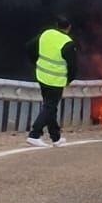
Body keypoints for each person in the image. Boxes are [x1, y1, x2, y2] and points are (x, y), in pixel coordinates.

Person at [26, 14, 77, 148]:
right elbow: (72, 66)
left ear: (57, 25)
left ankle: (56, 138)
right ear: (69, 27)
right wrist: (69, 79)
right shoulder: (67, 42)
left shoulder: (46, 34)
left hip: (42, 76)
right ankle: (34, 134)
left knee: (50, 107)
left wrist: (36, 62)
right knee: (50, 107)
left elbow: (29, 46)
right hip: (56, 80)